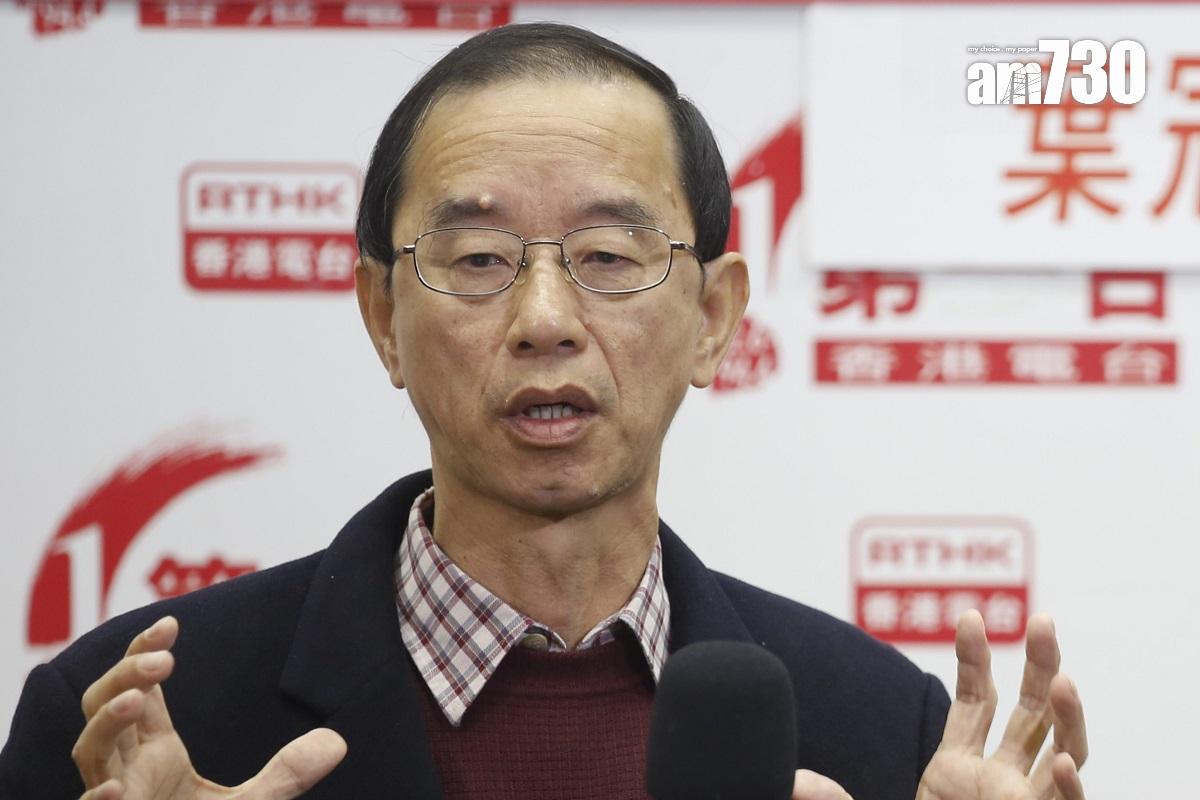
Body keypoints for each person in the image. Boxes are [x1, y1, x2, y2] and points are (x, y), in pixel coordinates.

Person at [0, 23, 1088, 800]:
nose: (545, 320)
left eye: (610, 256)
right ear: (383, 315)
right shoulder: (138, 723)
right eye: (477, 258)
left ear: (713, 318)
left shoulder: (881, 731)